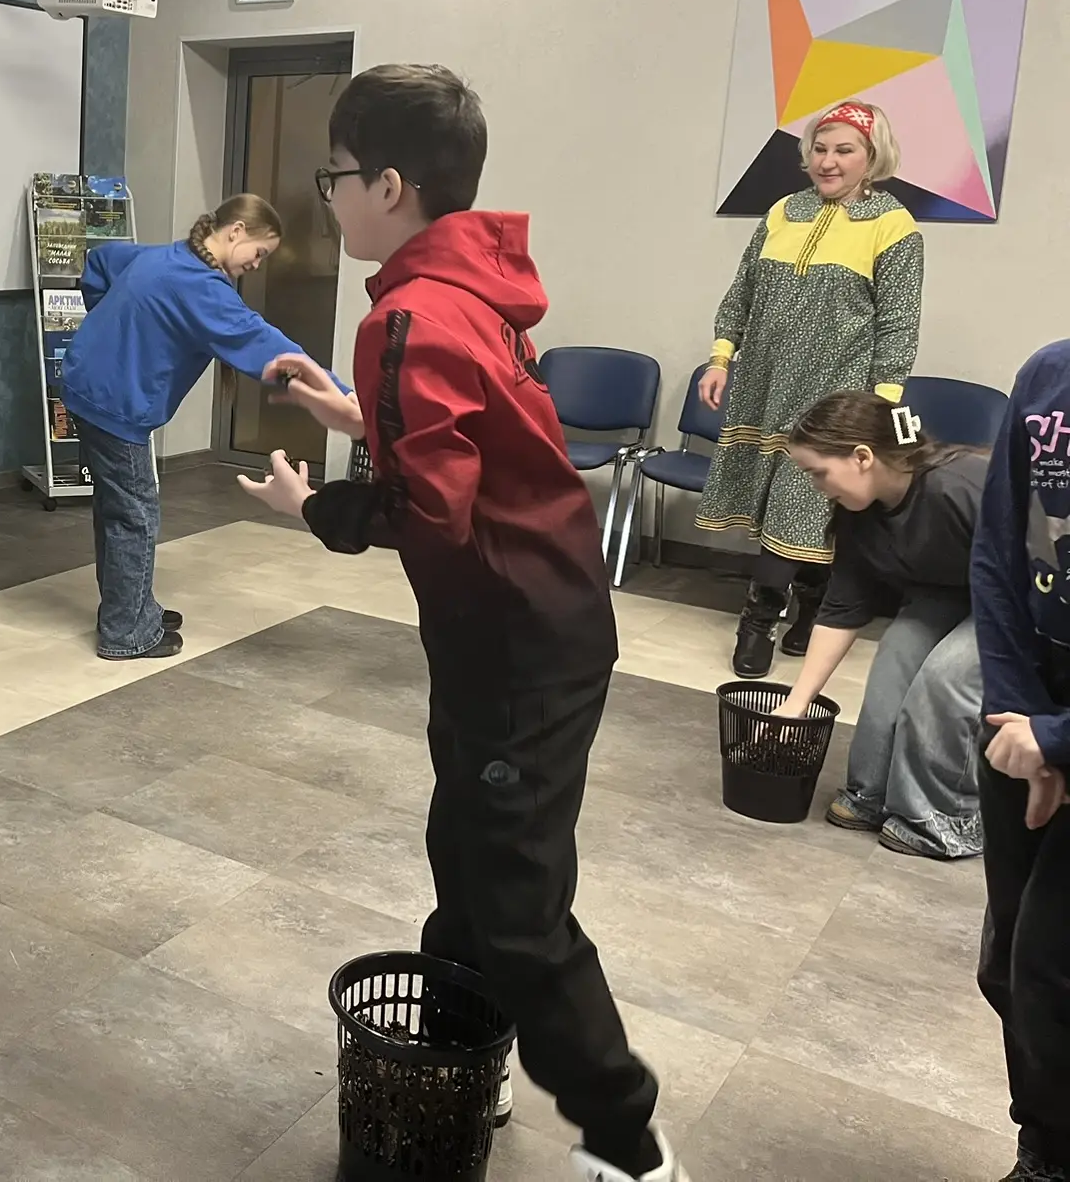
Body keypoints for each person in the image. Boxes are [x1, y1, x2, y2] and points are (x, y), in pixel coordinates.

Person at [243, 63, 682, 1182]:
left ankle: (628, 1144)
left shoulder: (406, 313)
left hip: (514, 640)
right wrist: (364, 418)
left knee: (517, 902)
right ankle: (457, 1058)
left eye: (335, 176)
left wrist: (316, 508)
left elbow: (432, 516)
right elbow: (483, 445)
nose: (330, 197)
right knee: (471, 853)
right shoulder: (472, 292)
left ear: (389, 185)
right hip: (541, 624)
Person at [696, 100, 924, 679]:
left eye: (844, 150)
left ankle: (759, 619)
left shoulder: (893, 224)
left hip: (836, 393)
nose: (828, 161)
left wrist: (882, 403)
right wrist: (721, 357)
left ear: (872, 156)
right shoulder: (782, 212)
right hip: (764, 381)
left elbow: (899, 322)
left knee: (805, 503)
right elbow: (742, 292)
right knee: (788, 505)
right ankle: (811, 604)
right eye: (820, 149)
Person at [61, 193, 337, 660]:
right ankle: (126, 633)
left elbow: (100, 264)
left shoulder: (168, 256)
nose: (257, 264)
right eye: (259, 252)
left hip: (87, 387)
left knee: (117, 509)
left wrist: (112, 330)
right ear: (236, 232)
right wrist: (341, 394)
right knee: (134, 516)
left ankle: (131, 610)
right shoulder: (201, 286)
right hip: (116, 406)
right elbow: (263, 343)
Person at [772, 391, 986, 859]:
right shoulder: (859, 516)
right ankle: (871, 795)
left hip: (1021, 599)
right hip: (951, 591)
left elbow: (1031, 574)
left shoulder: (958, 486)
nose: (816, 486)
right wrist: (796, 703)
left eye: (818, 472)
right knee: (895, 659)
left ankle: (949, 817)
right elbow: (841, 610)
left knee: (946, 679)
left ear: (862, 457)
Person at [971, 339, 1070, 1182]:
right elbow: (1000, 553)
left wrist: (1061, 740)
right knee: (1008, 965)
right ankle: (1041, 1148)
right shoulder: (1047, 375)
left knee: (1050, 966)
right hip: (1026, 711)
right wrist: (1025, 719)